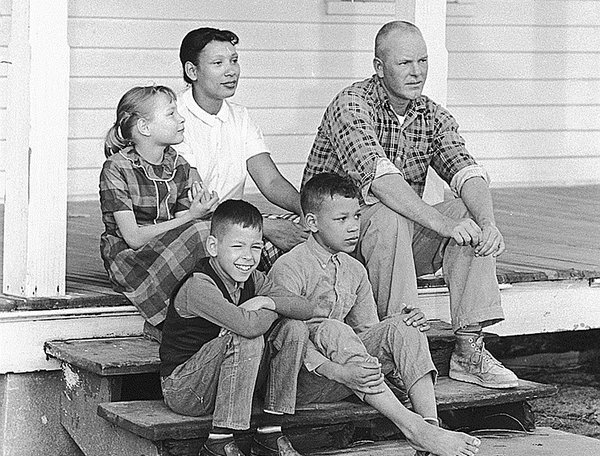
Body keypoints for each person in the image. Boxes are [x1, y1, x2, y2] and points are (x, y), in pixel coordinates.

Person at [303, 21, 519, 389]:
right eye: (404, 63)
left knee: (469, 214)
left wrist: (487, 223)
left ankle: (469, 350)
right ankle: (400, 349)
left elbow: (466, 171)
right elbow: (381, 181)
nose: (416, 72)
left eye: (423, 61)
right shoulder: (351, 104)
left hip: (392, 248)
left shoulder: (432, 114)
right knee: (389, 214)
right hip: (334, 245)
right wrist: (443, 224)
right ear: (379, 66)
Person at [269, 173, 481, 456]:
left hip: (351, 376)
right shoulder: (290, 267)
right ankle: (414, 428)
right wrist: (337, 371)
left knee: (405, 326)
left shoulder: (354, 269)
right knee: (332, 330)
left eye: (357, 216)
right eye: (341, 219)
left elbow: (366, 333)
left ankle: (430, 437)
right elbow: (283, 338)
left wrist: (400, 325)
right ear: (312, 222)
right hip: (303, 380)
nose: (353, 226)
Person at [159, 199, 320, 456]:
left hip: (225, 384)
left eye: (255, 247)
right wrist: (270, 309)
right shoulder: (199, 285)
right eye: (237, 246)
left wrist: (265, 301)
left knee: (294, 328)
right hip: (185, 389)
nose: (248, 256)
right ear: (213, 247)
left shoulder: (253, 280)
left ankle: (270, 434)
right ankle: (218, 444)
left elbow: (305, 308)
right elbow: (247, 327)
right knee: (246, 338)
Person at [175, 27, 308, 271]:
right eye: (218, 63)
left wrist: (305, 210)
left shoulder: (240, 116)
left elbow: (271, 181)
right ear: (192, 71)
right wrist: (263, 226)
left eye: (234, 60)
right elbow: (197, 202)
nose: (231, 71)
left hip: (237, 224)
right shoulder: (174, 117)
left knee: (311, 235)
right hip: (194, 226)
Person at [99, 85, 219, 327]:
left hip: (168, 250)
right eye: (171, 114)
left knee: (219, 234)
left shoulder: (179, 164)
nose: (181, 119)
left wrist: (200, 211)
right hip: (131, 259)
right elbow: (133, 238)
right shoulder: (117, 168)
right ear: (144, 127)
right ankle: (180, 322)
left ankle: (212, 311)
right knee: (203, 232)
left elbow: (185, 226)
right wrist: (193, 217)